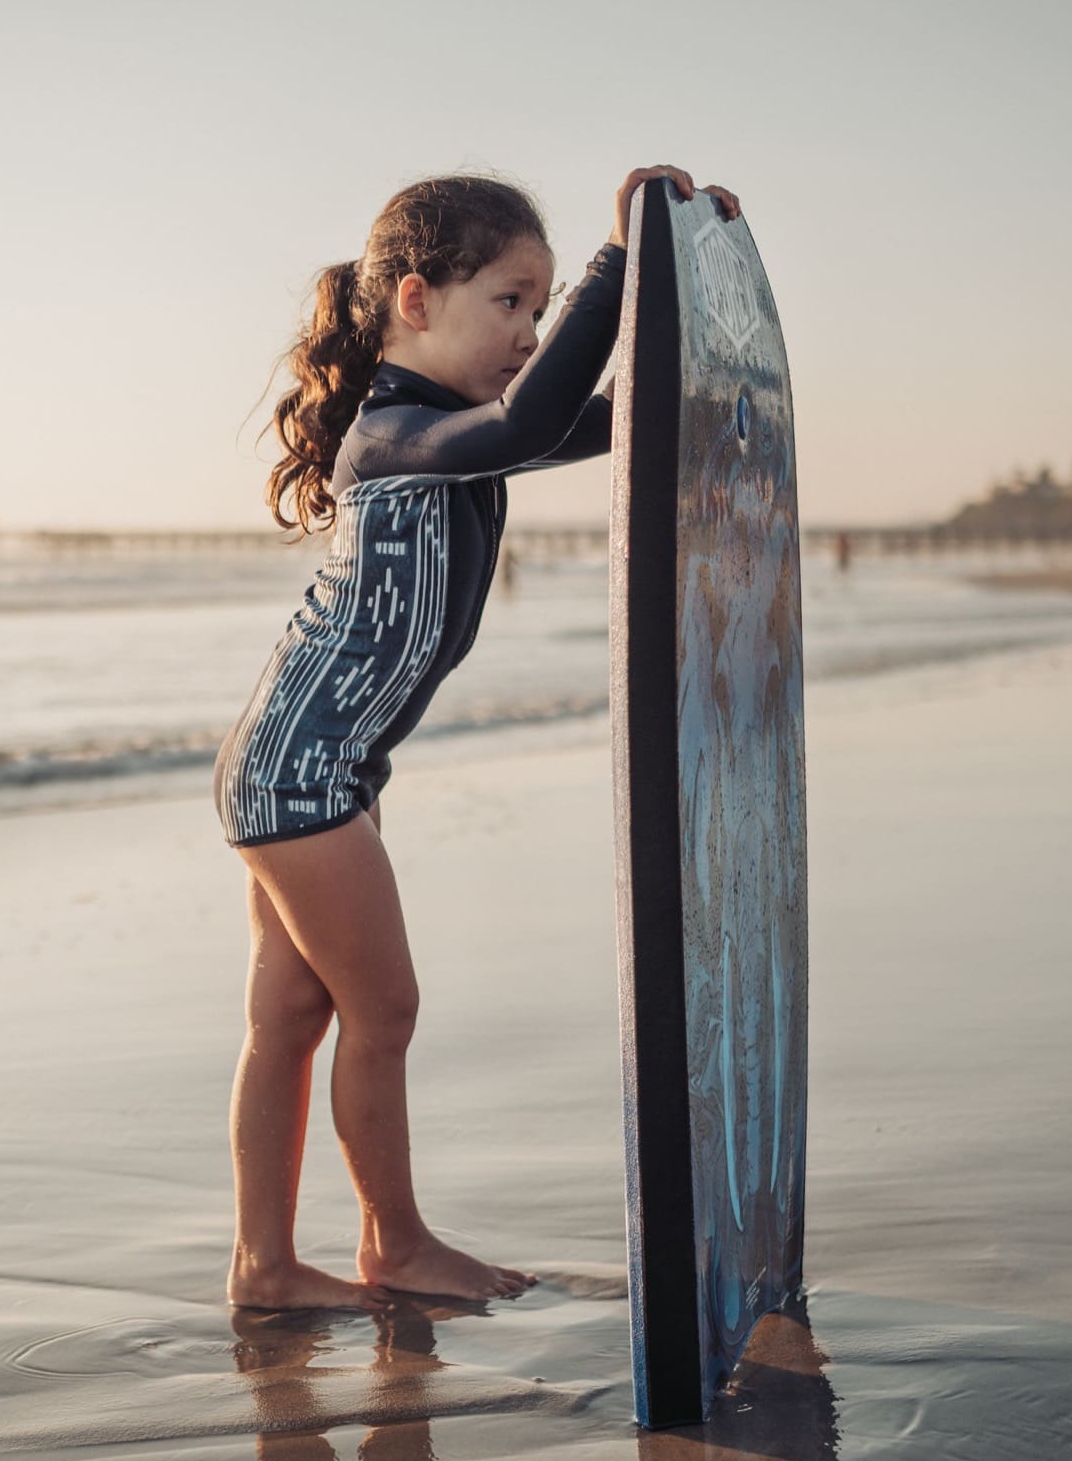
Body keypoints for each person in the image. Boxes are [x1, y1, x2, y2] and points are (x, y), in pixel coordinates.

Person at [212, 167, 742, 1310]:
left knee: (294, 1016)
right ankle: (391, 1246)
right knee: (383, 1010)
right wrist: (616, 263)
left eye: (543, 309)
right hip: (302, 774)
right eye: (510, 302)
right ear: (415, 299)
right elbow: (538, 416)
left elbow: (611, 420)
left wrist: (685, 306)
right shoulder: (399, 434)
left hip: (301, 765)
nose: (531, 332)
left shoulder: (455, 434)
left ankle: (263, 1267)